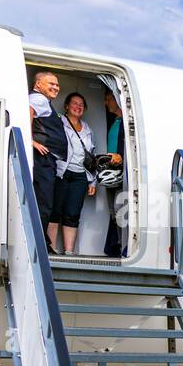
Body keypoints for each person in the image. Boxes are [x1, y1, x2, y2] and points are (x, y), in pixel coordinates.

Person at [50, 92, 97, 255]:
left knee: (72, 213)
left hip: (80, 176)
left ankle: (69, 252)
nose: (78, 107)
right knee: (54, 210)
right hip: (60, 172)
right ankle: (52, 248)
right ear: (66, 106)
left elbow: (91, 155)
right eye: (74, 103)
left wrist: (92, 181)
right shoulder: (59, 121)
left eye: (81, 104)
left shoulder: (87, 129)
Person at [28, 71, 65, 253]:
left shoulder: (43, 100)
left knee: (45, 203)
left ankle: (43, 242)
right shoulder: (38, 99)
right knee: (43, 203)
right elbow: (29, 114)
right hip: (42, 159)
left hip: (47, 160)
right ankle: (40, 246)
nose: (55, 87)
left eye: (57, 85)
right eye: (51, 83)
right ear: (38, 84)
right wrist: (31, 140)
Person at [101, 90, 127, 257]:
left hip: (123, 172)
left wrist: (122, 157)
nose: (106, 103)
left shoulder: (127, 123)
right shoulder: (114, 121)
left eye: (109, 99)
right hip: (110, 172)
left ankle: (125, 247)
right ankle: (115, 246)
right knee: (113, 211)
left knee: (120, 209)